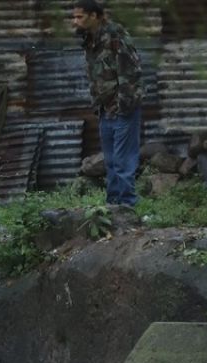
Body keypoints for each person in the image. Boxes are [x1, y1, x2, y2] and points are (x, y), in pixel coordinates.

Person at [72, 0, 143, 209]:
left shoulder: (115, 35)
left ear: (94, 16)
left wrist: (124, 105)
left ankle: (128, 207)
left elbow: (131, 71)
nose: (74, 22)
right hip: (105, 109)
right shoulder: (90, 39)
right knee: (111, 162)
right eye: (73, 17)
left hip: (122, 108)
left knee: (123, 162)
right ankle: (113, 207)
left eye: (79, 17)